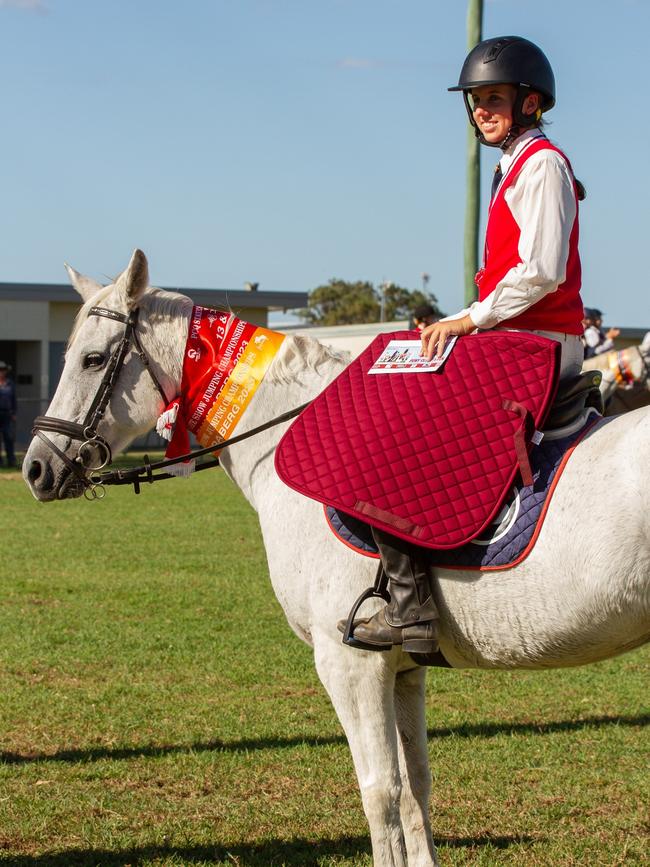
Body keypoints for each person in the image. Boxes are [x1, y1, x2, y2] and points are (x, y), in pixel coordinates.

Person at [341, 35, 587, 658]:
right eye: (476, 101)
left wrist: (468, 321)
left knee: (399, 438)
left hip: (538, 348)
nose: (482, 110)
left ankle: (411, 611)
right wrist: (463, 320)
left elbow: (541, 271)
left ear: (531, 102)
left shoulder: (543, 165)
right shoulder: (516, 164)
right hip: (518, 341)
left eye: (494, 98)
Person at [0, 361, 17, 468]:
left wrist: (14, 413)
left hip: (7, 414)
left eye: (3, 370)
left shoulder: (10, 384)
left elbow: (14, 400)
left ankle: (11, 461)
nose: (1, 372)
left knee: (8, 438)